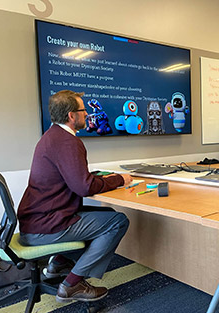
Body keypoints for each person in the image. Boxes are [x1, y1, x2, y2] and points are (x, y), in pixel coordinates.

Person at [18, 90, 134, 302]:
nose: (87, 113)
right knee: (117, 222)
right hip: (46, 226)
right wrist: (119, 179)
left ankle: (58, 263)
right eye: (83, 110)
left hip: (36, 221)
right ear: (72, 116)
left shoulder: (51, 136)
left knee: (106, 214)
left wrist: (94, 177)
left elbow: (74, 179)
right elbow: (84, 187)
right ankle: (72, 284)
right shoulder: (68, 142)